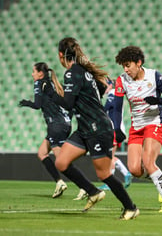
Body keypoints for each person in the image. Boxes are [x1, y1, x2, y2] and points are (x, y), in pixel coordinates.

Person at [44, 37, 139, 220]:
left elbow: (68, 103)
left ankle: (131, 207)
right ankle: (93, 192)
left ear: (61, 55)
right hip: (85, 128)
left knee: (103, 173)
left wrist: (51, 95)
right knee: (61, 162)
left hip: (97, 128)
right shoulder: (83, 72)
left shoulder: (73, 73)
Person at [114, 45, 162, 213]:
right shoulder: (121, 80)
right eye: (124, 66)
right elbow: (116, 106)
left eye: (128, 65)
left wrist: (157, 101)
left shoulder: (154, 76)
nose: (126, 70)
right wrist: (116, 128)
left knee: (149, 163)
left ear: (139, 63)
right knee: (134, 170)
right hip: (136, 127)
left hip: (155, 123)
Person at [19, 62, 71, 198]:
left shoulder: (39, 83)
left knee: (61, 161)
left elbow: (37, 105)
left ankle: (85, 187)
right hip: (63, 123)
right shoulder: (53, 83)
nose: (32, 74)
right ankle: (59, 182)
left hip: (56, 124)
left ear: (40, 74)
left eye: (34, 72)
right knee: (42, 153)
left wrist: (26, 103)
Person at [98, 78, 132, 191]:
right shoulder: (113, 95)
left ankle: (109, 182)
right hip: (115, 129)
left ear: (110, 85)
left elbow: (104, 109)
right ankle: (126, 173)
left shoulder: (112, 94)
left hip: (114, 129)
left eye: (105, 85)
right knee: (110, 155)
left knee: (109, 156)